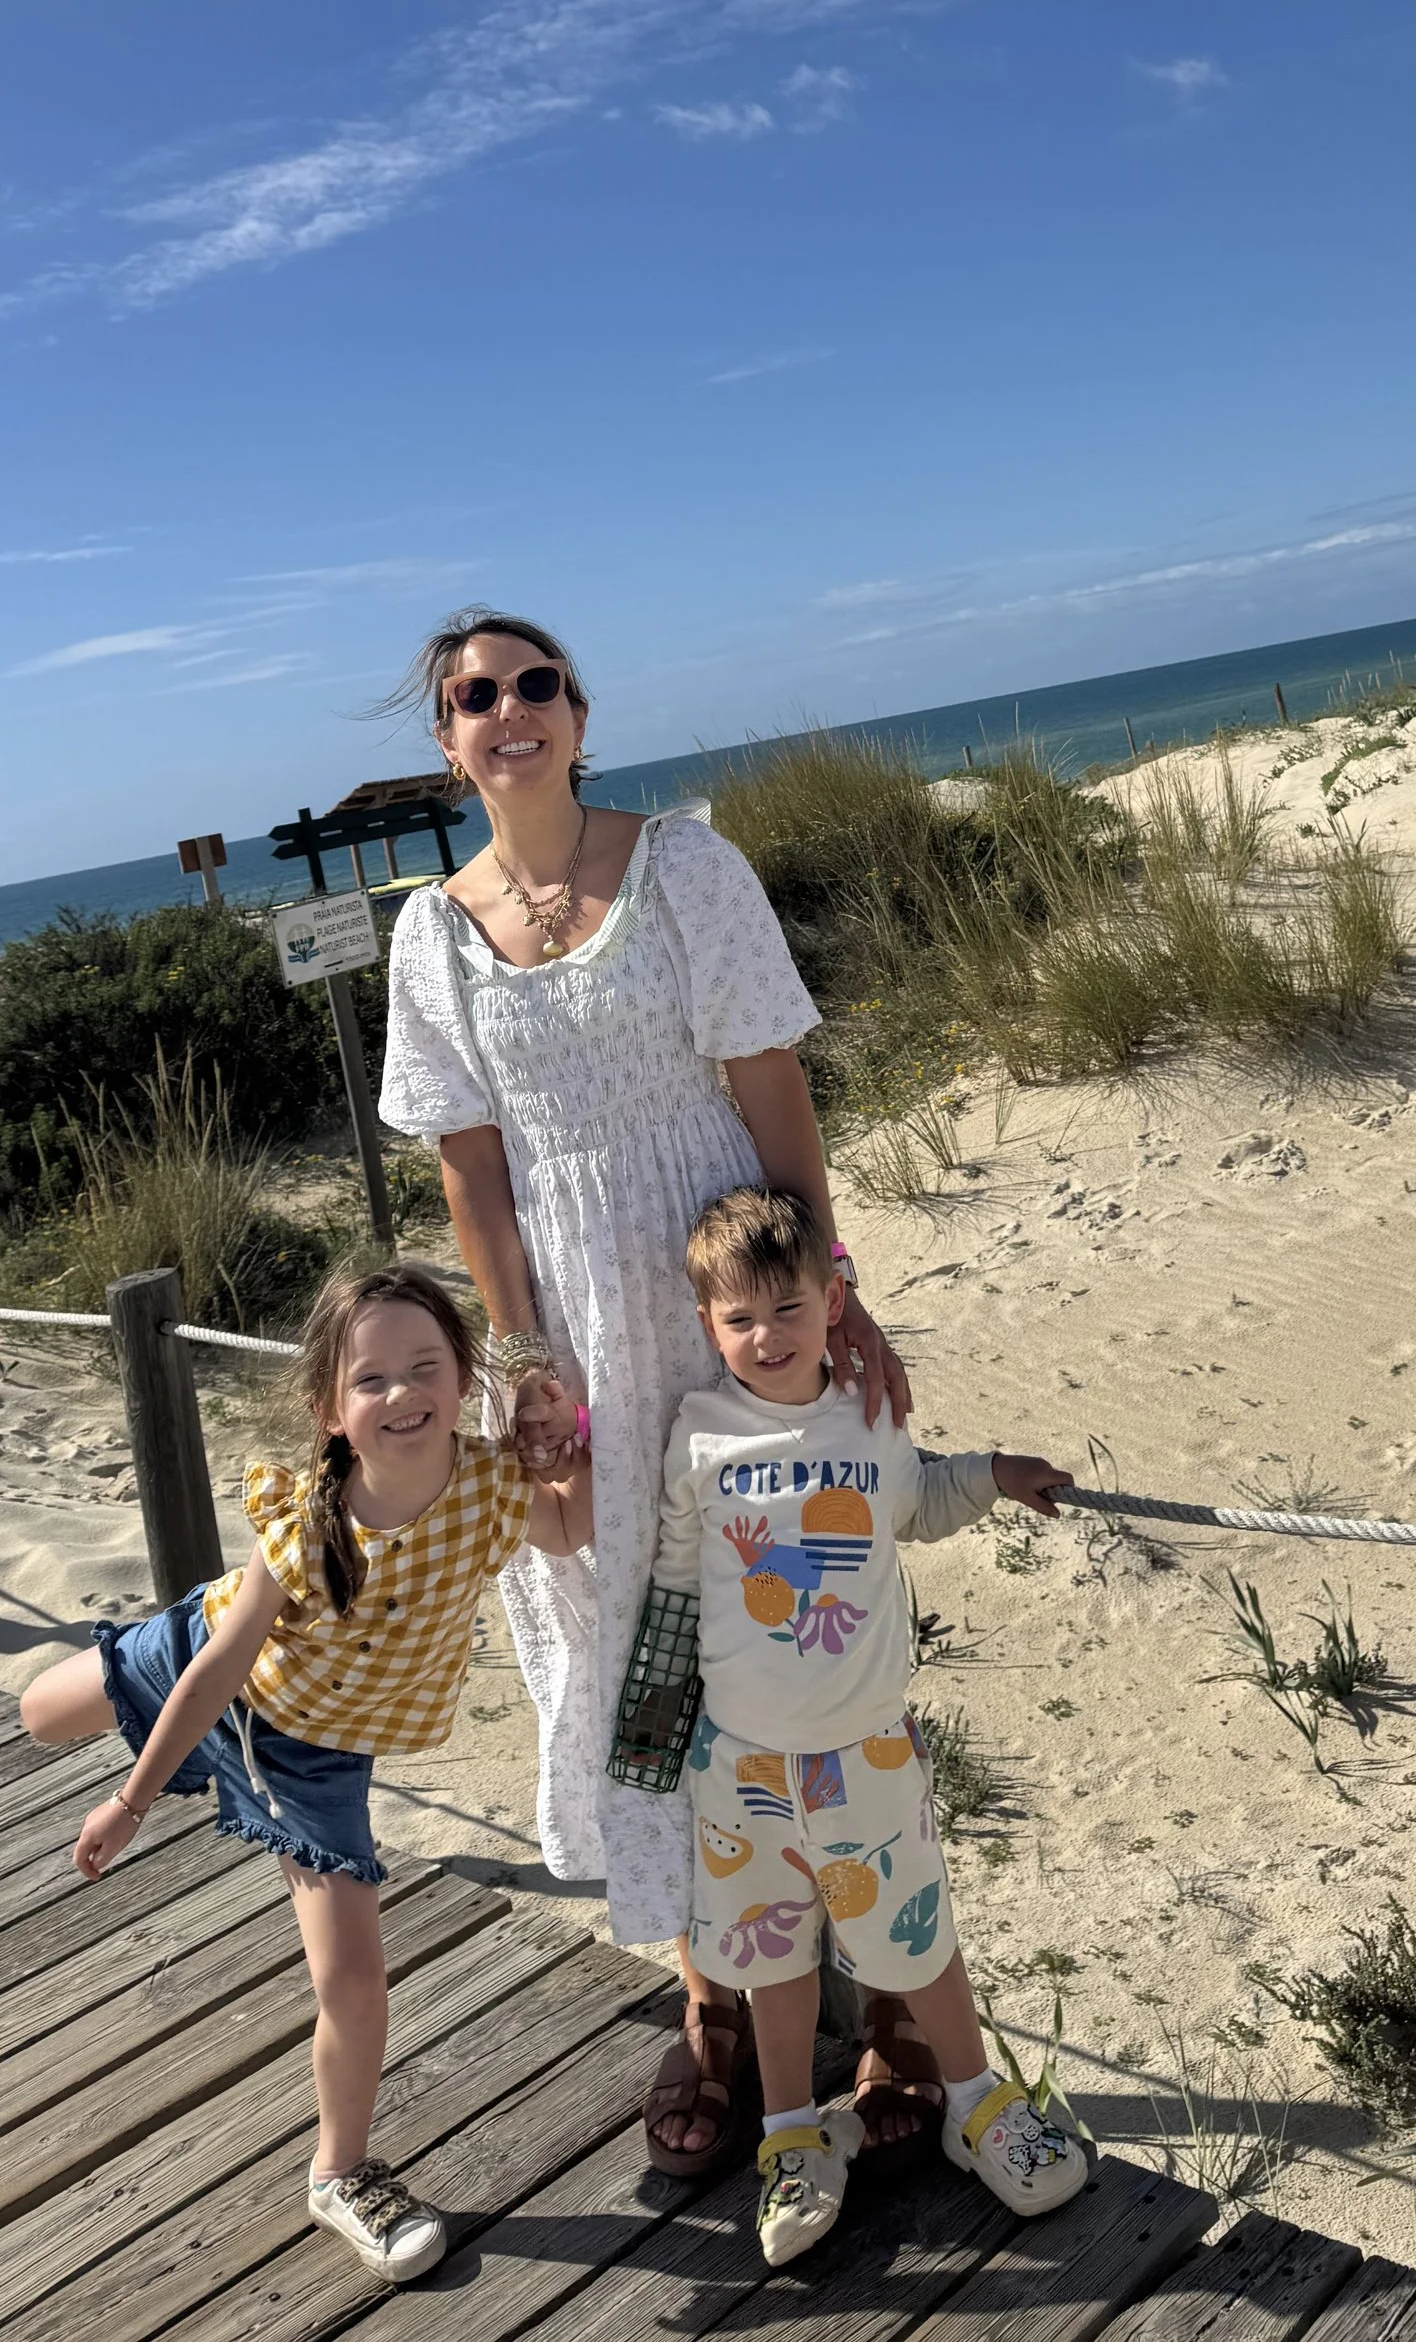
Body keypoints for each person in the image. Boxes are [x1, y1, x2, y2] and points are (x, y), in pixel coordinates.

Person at [376, 607, 937, 2180]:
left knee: (803, 1630)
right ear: (446, 740)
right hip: (579, 1353)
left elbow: (773, 1093)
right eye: (471, 697)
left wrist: (830, 1294)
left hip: (724, 1311)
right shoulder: (431, 933)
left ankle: (892, 2002)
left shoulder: (686, 868)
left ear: (577, 708)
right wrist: (524, 1362)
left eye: (533, 684)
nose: (508, 711)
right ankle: (714, 2006)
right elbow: (471, 1173)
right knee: (639, 1655)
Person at [18, 1264, 590, 2283]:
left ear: (464, 1379)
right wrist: (127, 1802)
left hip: (309, 1757)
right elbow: (212, 1677)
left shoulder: (490, 1489)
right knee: (38, 1715)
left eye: (426, 1368)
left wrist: (562, 1438)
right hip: (213, 1665)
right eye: (370, 1380)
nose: (402, 1395)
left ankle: (340, 2175)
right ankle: (131, 1663)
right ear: (329, 1408)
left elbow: (569, 1522)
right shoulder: (307, 1530)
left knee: (354, 1979)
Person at [639, 1184, 1091, 2265]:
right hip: (738, 1762)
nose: (766, 1337)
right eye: (740, 1319)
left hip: (868, 1753)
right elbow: (669, 1579)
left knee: (914, 1933)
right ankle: (792, 2134)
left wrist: (997, 1475)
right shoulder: (697, 1434)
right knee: (773, 1955)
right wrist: (654, 1720)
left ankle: (977, 2101)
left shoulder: (867, 1416)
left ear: (833, 1299)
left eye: (788, 1309)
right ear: (707, 1324)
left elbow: (919, 1503)